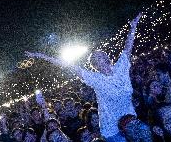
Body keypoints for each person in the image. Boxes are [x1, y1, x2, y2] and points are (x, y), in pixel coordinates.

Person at [25, 13, 142, 141]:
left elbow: (128, 46)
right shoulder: (95, 78)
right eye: (94, 62)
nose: (98, 61)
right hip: (112, 130)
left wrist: (133, 26)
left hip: (131, 121)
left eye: (99, 57)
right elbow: (67, 66)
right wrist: (41, 56)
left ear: (106, 57)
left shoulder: (121, 67)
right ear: (94, 67)